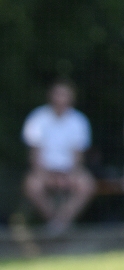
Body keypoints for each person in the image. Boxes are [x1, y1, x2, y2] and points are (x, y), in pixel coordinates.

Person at [22, 80, 95, 235]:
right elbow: (35, 153)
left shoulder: (78, 121)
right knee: (32, 186)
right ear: (51, 96)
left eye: (64, 95)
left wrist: (71, 174)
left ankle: (61, 221)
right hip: (45, 171)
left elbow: (78, 155)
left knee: (87, 185)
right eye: (58, 94)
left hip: (69, 171)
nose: (60, 99)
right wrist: (43, 175)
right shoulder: (38, 118)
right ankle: (55, 221)